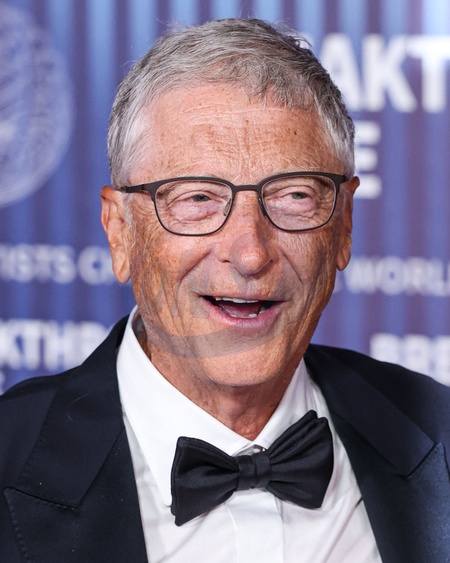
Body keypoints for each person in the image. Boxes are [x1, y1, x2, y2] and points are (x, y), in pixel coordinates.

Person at [1, 18, 449, 563]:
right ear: (121, 232)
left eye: (294, 196)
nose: (251, 254)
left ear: (344, 226)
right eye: (197, 198)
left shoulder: (436, 434)